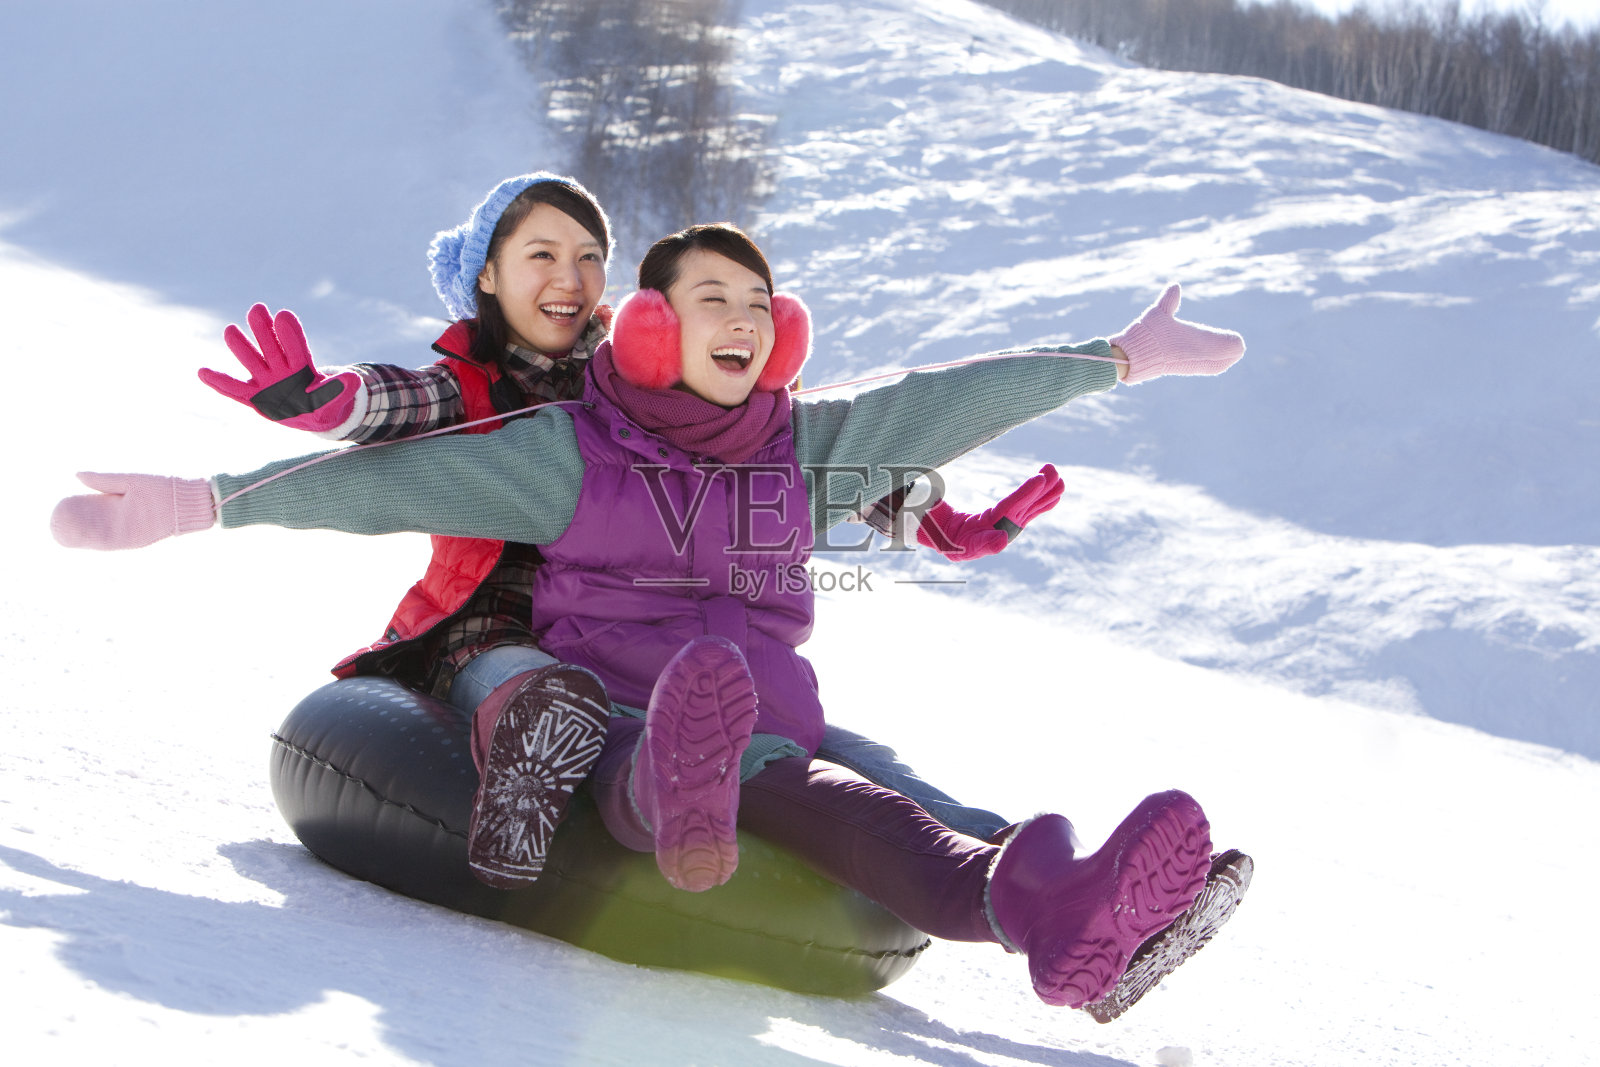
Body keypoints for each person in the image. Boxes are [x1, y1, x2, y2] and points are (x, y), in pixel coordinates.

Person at [52, 220, 1246, 1010]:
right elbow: (390, 481)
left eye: (760, 302)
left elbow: (948, 401)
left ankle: (1067, 903)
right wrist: (200, 503)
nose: (743, 317)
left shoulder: (806, 441)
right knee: (745, 763)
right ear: (652, 327)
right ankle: (699, 802)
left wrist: (1116, 359)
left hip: (763, 713)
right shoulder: (570, 450)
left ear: (782, 337)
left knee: (859, 781)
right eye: (711, 298)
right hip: (614, 698)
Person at [195, 173, 1066, 888]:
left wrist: (945, 524)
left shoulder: (638, 372)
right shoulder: (468, 385)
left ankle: (1024, 862)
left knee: (841, 749)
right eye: (541, 254)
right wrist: (328, 400)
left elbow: (780, 464)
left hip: (646, 638)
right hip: (501, 622)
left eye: (588, 258)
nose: (568, 276)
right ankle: (533, 784)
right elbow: (395, 403)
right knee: (527, 676)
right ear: (489, 274)